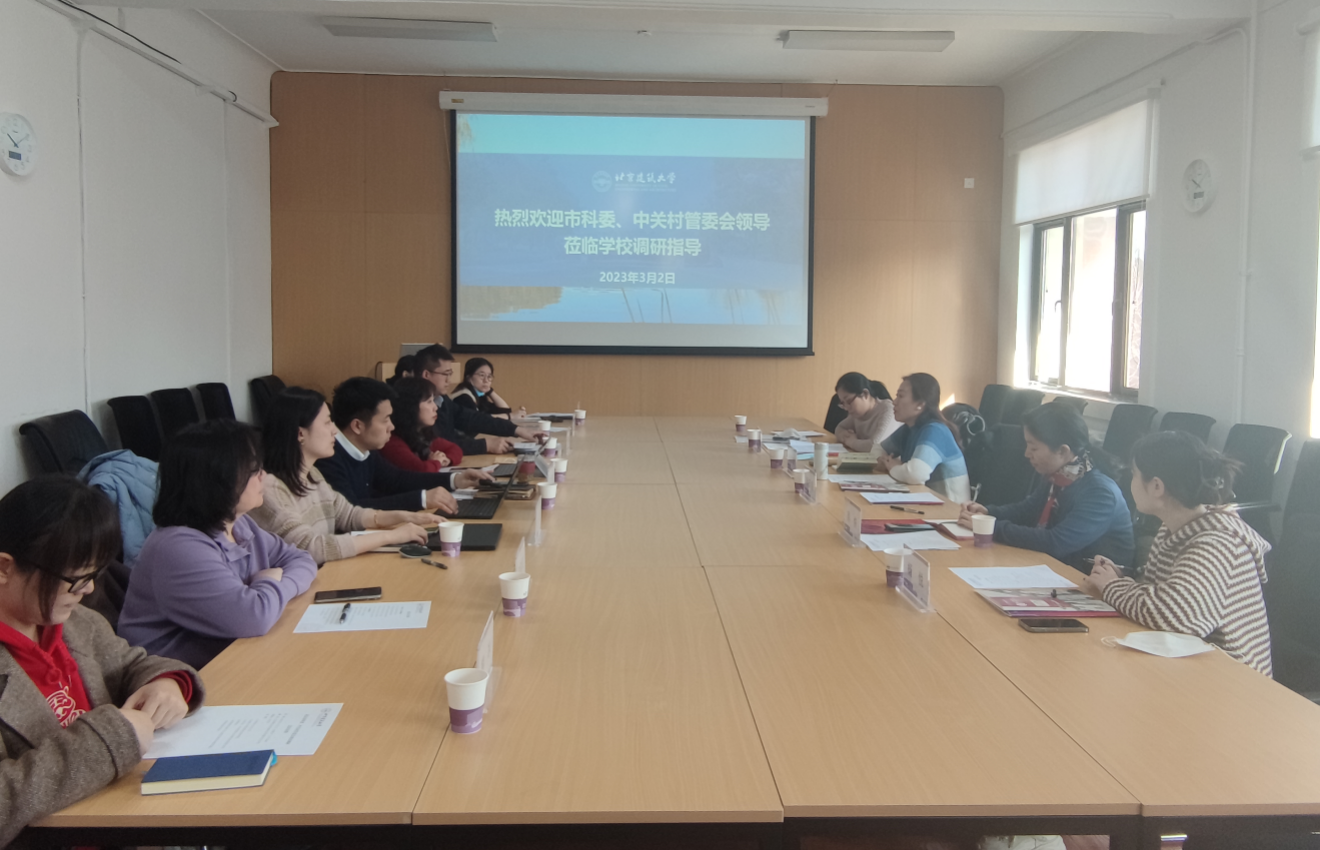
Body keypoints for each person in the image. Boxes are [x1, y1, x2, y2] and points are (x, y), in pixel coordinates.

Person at [0, 476, 204, 846]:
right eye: (76, 579)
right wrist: (109, 741)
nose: (90, 589)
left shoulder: (75, 623)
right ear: (4, 567)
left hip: (128, 817)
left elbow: (130, 665)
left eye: (94, 574)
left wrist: (165, 682)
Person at [118, 420, 319, 669]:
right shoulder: (178, 547)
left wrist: (273, 588)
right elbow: (254, 617)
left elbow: (302, 559)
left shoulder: (240, 525)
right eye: (254, 470)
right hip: (185, 680)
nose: (264, 476)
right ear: (218, 478)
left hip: (239, 659)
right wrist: (267, 585)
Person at [1086, 431, 1272, 675]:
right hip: (1185, 661)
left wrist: (1113, 587)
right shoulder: (1174, 528)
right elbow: (1166, 591)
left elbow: (1179, 616)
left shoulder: (1216, 543)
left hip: (1232, 679)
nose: (1130, 482)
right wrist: (1123, 577)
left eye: (1134, 474)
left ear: (1156, 486)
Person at [248, 387, 434, 565]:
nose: (334, 430)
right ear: (300, 433)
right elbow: (310, 547)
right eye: (327, 422)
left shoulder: (313, 475)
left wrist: (406, 517)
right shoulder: (269, 488)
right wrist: (391, 536)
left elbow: (349, 515)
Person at [960, 403, 1134, 572]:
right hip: (1054, 568)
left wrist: (992, 527)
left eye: (1034, 448)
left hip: (1087, 579)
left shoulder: (1100, 493)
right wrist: (988, 513)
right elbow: (1027, 510)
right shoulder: (1059, 475)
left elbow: (1055, 543)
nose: (1026, 454)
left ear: (1063, 451)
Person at [315, 377, 490, 514]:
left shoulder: (366, 449)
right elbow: (351, 509)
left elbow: (396, 479)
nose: (391, 427)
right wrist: (422, 499)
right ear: (357, 426)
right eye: (385, 420)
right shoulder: (328, 459)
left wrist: (455, 480)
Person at [415, 344, 544, 455]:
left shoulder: (442, 399)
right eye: (445, 374)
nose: (449, 380)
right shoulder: (415, 406)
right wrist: (486, 445)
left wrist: (518, 430)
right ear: (426, 374)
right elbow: (440, 445)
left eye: (450, 374)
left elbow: (473, 418)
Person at [874, 373, 970, 503]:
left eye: (900, 396)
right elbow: (877, 450)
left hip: (950, 509)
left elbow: (915, 475)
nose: (894, 402)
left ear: (920, 404)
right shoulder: (909, 428)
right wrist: (886, 462)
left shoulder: (935, 430)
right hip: (926, 501)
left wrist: (892, 466)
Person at [382, 377, 465, 473]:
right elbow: (420, 470)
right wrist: (436, 462)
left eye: (434, 400)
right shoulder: (392, 441)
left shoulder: (421, 434)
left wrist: (447, 459)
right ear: (411, 406)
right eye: (429, 402)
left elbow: (455, 448)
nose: (435, 407)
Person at [832, 372, 899, 453]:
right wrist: (845, 436)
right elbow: (839, 428)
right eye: (843, 403)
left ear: (865, 394)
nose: (846, 408)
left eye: (849, 401)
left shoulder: (888, 410)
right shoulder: (857, 414)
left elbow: (875, 446)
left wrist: (851, 442)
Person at [450, 357, 525, 419]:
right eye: (482, 375)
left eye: (489, 376)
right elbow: (478, 420)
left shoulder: (480, 396)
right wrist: (510, 416)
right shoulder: (463, 397)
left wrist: (490, 391)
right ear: (469, 377)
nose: (486, 380)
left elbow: (505, 410)